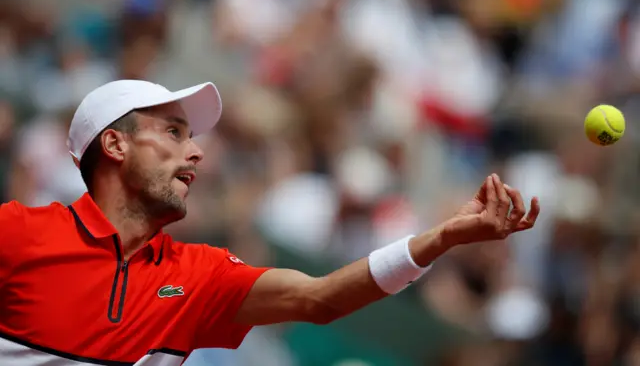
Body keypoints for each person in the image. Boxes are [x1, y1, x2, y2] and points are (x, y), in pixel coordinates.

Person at [0, 80, 540, 366]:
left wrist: (441, 237)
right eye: (172, 133)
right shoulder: (18, 232)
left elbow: (322, 298)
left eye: (191, 137)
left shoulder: (200, 274)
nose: (196, 153)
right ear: (114, 144)